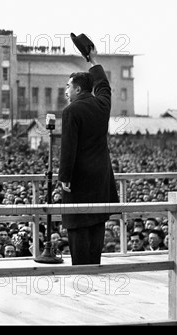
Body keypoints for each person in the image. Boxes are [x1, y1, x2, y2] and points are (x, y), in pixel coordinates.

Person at [58, 46, 119, 265]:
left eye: (68, 86)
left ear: (78, 89)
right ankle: (95, 268)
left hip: (79, 179)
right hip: (101, 177)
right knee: (97, 223)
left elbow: (69, 147)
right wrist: (93, 60)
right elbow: (104, 85)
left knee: (78, 225)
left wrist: (64, 177)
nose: (66, 91)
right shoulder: (102, 104)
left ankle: (81, 273)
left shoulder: (71, 111)